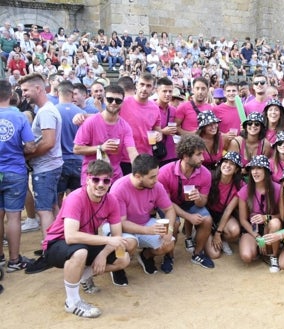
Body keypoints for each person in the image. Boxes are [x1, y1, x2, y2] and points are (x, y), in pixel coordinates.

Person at [42, 160, 130, 318]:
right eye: (96, 179)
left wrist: (103, 255)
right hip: (57, 243)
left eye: (106, 180)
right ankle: (72, 302)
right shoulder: (75, 198)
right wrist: (107, 241)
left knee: (123, 257)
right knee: (80, 252)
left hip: (85, 242)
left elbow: (117, 236)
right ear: (88, 179)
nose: (101, 184)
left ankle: (83, 275)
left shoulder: (111, 201)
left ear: (110, 182)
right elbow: (71, 236)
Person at [108, 154, 176, 283]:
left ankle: (145, 256)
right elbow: (120, 223)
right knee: (129, 243)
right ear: (138, 176)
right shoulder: (119, 188)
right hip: (117, 227)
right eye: (152, 177)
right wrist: (148, 231)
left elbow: (169, 210)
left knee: (169, 244)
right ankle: (117, 266)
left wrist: (170, 229)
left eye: (156, 175)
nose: (156, 179)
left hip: (144, 223)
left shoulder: (156, 186)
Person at [157, 134, 215, 269]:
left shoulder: (205, 173)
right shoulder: (165, 172)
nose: (203, 158)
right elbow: (166, 204)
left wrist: (198, 198)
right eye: (198, 154)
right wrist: (188, 217)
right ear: (185, 156)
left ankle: (197, 254)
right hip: (169, 205)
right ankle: (169, 256)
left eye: (202, 153)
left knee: (207, 219)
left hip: (188, 203)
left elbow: (203, 203)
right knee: (175, 223)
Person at [19, 73, 63, 240]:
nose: (23, 94)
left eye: (25, 90)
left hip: (46, 168)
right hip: (50, 166)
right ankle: (56, 244)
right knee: (52, 207)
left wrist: (27, 157)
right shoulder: (46, 110)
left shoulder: (46, 112)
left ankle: (49, 250)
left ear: (38, 88)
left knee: (44, 210)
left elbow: (48, 142)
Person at [0, 79, 36, 272]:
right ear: (11, 96)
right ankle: (14, 260)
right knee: (14, 217)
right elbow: (30, 146)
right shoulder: (20, 117)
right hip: (15, 170)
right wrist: (18, 150)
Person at [74, 84, 138, 185]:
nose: (113, 103)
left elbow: (132, 151)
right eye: (110, 99)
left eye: (118, 101)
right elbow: (77, 149)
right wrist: (101, 148)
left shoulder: (125, 127)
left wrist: (139, 169)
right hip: (92, 178)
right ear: (104, 100)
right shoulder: (91, 122)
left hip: (114, 177)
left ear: (122, 103)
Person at [237, 155, 282, 272]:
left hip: (269, 227)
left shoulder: (278, 189)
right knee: (247, 257)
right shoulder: (245, 190)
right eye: (253, 168)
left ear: (266, 171)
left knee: (275, 223)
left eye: (259, 168)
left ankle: (274, 256)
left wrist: (266, 218)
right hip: (252, 230)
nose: (255, 172)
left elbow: (283, 216)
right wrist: (257, 237)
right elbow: (243, 219)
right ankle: (258, 249)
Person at [119, 73, 162, 175]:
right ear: (136, 85)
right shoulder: (123, 103)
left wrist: (158, 136)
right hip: (124, 158)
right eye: (142, 84)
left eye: (148, 86)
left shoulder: (155, 108)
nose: (144, 88)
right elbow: (105, 117)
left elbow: (158, 131)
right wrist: (83, 116)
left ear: (153, 89)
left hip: (145, 158)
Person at [205, 152, 243, 258]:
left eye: (232, 164)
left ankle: (221, 238)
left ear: (236, 169)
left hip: (222, 214)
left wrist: (218, 233)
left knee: (235, 231)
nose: (227, 165)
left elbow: (228, 210)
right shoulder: (210, 177)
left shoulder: (238, 185)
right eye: (225, 162)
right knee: (215, 255)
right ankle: (203, 235)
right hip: (206, 215)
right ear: (220, 164)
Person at [55, 81, 86, 206]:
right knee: (74, 197)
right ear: (72, 94)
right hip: (78, 158)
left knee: (58, 196)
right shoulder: (80, 113)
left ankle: (59, 222)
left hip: (60, 160)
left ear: (58, 93)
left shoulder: (53, 111)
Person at [155, 77, 178, 166]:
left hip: (173, 154)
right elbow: (145, 131)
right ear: (157, 91)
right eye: (164, 91)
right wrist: (163, 131)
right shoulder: (151, 108)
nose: (168, 94)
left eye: (170, 91)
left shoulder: (173, 110)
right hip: (157, 154)